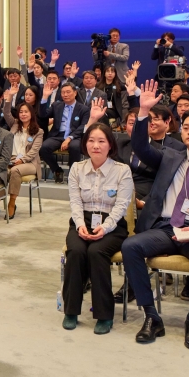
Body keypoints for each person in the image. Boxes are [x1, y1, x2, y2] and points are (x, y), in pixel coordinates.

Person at [122, 80, 189, 350]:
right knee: (131, 246)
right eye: (185, 127)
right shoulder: (170, 156)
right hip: (165, 228)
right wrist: (143, 113)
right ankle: (152, 316)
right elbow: (140, 147)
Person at [62, 123, 133, 335]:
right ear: (85, 144)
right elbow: (75, 202)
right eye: (91, 140)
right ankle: (71, 311)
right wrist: (81, 226)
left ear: (110, 145)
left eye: (101, 141)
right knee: (76, 251)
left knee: (96, 251)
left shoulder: (122, 171)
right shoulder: (77, 168)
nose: (96, 145)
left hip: (112, 225)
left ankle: (104, 315)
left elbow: (122, 206)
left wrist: (105, 227)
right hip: (82, 220)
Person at [2, 87, 44, 219]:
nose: (23, 114)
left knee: (15, 171)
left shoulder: (39, 131)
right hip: (12, 159)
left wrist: (22, 160)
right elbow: (6, 112)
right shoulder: (14, 125)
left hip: (29, 163)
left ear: (31, 113)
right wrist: (9, 98)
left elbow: (33, 151)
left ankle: (11, 203)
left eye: (26, 112)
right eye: (21, 112)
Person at [39, 83, 90, 183]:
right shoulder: (56, 105)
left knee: (75, 147)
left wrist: (70, 138)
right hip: (57, 135)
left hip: (75, 136)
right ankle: (57, 170)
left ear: (75, 93)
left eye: (68, 92)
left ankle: (73, 173)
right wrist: (45, 97)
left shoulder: (83, 109)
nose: (65, 95)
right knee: (43, 148)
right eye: (63, 92)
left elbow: (83, 126)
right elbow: (42, 115)